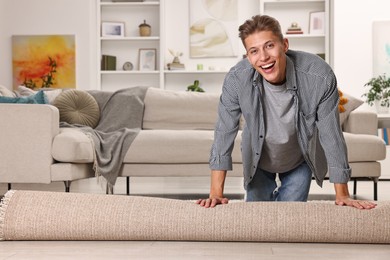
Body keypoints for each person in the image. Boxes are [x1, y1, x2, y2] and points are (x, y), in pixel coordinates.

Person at [196, 15, 376, 210]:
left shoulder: (319, 76)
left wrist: (343, 195)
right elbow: (224, 133)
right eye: (254, 51)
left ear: (284, 44)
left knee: (289, 219)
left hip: (299, 159)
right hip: (258, 159)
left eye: (269, 46)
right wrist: (215, 193)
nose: (263, 57)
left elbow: (331, 135)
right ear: (248, 56)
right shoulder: (236, 80)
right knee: (257, 219)